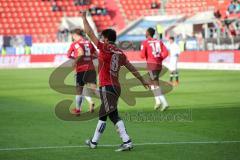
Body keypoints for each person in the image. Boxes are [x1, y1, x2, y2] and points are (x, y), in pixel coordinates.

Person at [81, 11, 150, 151]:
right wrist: (142, 80)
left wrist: (83, 17)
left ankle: (126, 141)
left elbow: (89, 32)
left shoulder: (103, 47)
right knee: (111, 114)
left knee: (106, 114)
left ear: (106, 39)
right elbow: (132, 68)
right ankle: (95, 142)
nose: (101, 39)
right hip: (116, 87)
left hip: (107, 87)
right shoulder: (120, 53)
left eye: (102, 37)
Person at [67, 28, 98, 115]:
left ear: (75, 35)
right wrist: (88, 59)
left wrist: (75, 61)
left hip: (81, 69)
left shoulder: (75, 44)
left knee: (79, 90)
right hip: (91, 69)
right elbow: (97, 55)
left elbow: (79, 53)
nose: (72, 38)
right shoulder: (89, 43)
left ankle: (78, 110)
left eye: (73, 36)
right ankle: (108, 103)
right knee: (94, 89)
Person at [141, 27, 169, 111]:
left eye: (145, 32)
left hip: (151, 65)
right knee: (150, 83)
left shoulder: (145, 42)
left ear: (148, 33)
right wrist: (159, 58)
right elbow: (166, 52)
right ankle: (157, 101)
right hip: (158, 65)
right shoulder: (159, 41)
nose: (145, 33)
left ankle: (164, 103)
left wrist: (146, 55)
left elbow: (142, 55)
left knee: (155, 84)